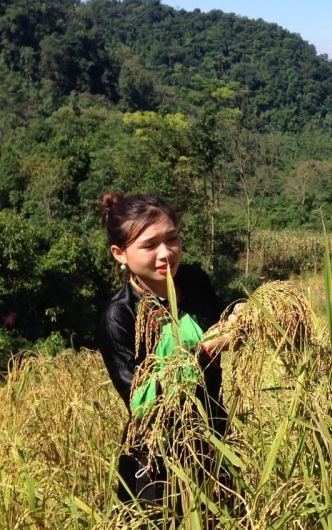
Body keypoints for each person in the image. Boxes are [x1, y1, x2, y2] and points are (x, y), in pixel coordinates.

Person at [96, 193, 235, 508]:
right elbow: (142, 402)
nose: (165, 254)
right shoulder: (119, 316)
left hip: (213, 444)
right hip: (156, 467)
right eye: (148, 245)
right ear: (120, 253)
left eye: (172, 238)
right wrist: (205, 351)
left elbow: (222, 319)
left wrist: (241, 316)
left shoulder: (194, 281)